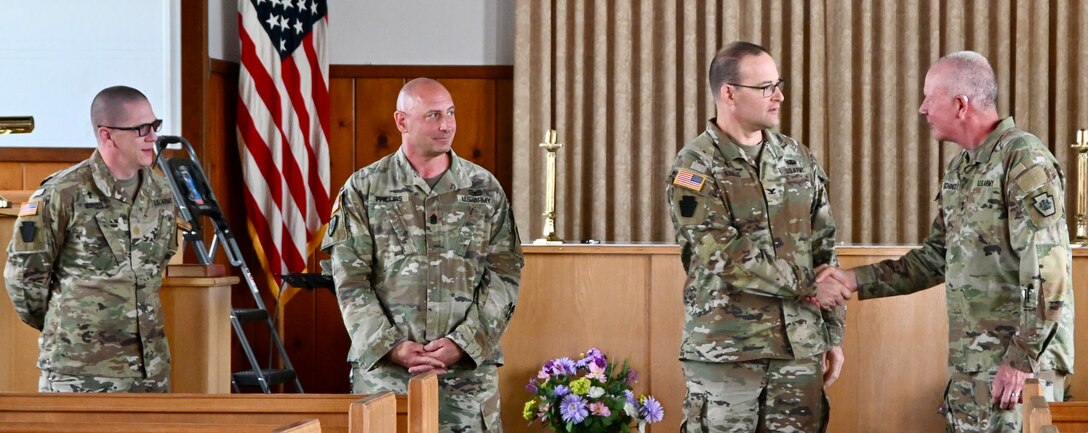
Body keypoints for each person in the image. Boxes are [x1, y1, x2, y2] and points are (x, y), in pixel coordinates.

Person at [813, 51, 1074, 432]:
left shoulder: (1024, 161)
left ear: (960, 104)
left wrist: (1021, 361)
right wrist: (852, 280)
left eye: (928, 97)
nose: (921, 109)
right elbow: (936, 257)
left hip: (1021, 371)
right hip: (974, 364)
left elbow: (1052, 275)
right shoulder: (961, 169)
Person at [322, 78, 523, 432]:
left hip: (466, 379)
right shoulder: (364, 188)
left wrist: (463, 343)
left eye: (450, 113)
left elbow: (504, 274)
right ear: (402, 121)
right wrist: (392, 346)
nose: (446, 125)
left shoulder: (484, 188)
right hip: (387, 377)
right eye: (433, 115)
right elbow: (350, 280)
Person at [666, 41, 847, 432]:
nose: (779, 96)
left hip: (799, 351)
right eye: (766, 87)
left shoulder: (797, 158)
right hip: (728, 356)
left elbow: (824, 246)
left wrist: (831, 332)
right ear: (729, 93)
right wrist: (806, 286)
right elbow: (724, 255)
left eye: (777, 84)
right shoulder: (694, 167)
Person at [4, 85, 178, 392]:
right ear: (107, 135)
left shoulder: (161, 193)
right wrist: (67, 322)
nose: (153, 137)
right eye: (141, 129)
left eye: (155, 126)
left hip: (150, 368)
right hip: (79, 371)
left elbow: (158, 263)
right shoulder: (61, 193)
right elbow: (24, 277)